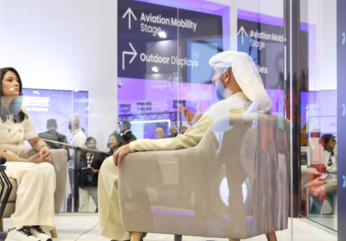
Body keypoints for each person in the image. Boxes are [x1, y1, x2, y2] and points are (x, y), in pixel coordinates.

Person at [97, 51, 271, 241]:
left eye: (215, 73)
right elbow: (210, 139)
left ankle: (123, 234)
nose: (214, 79)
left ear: (226, 76)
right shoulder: (251, 109)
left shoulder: (224, 108)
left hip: (189, 177)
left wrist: (135, 146)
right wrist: (198, 121)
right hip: (211, 175)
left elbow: (182, 142)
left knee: (111, 164)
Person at [0, 67, 56, 241]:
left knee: (47, 168)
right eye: (10, 80)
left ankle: (35, 226)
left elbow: (35, 140)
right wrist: (26, 161)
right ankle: (17, 229)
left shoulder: (21, 112)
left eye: (17, 80)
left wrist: (44, 147)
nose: (16, 83)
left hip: (14, 163)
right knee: (32, 169)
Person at [78, 137, 105, 211]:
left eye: (93, 143)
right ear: (86, 145)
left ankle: (101, 217)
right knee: (83, 205)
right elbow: (78, 169)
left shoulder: (100, 155)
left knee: (100, 204)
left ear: (95, 144)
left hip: (95, 183)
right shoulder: (82, 155)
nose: (91, 145)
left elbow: (104, 169)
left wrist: (95, 171)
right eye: (89, 143)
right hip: (83, 184)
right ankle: (83, 218)